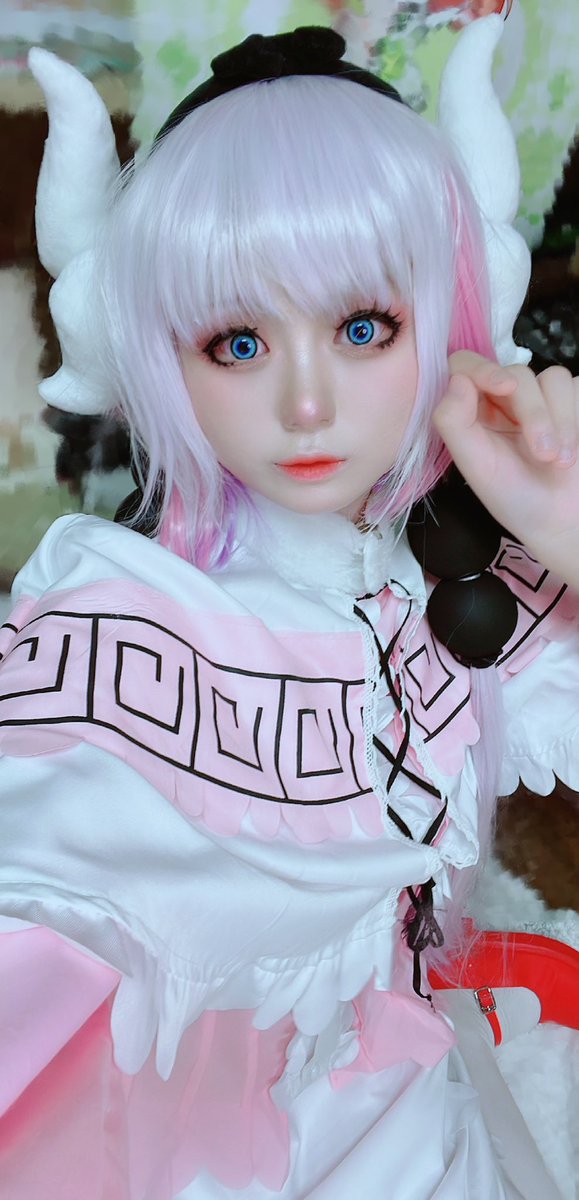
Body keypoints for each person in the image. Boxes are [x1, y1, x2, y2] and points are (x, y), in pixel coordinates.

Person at [0, 20, 578, 1200]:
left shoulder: (470, 579)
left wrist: (564, 527)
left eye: (363, 328)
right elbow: (47, 879)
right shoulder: (129, 618)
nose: (306, 404)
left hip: (414, 1105)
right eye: (237, 341)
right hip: (205, 1143)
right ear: (157, 353)